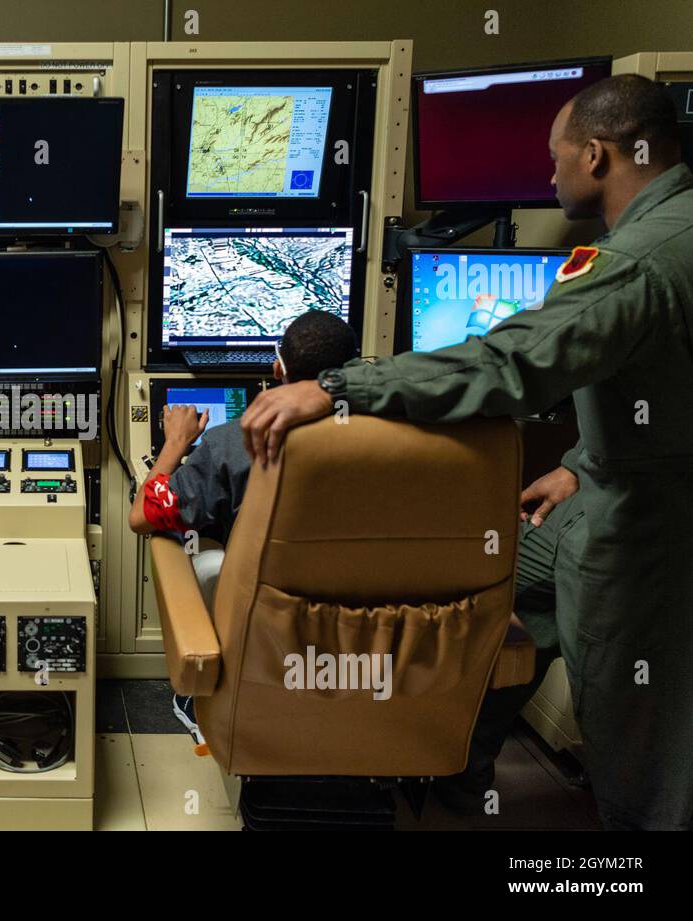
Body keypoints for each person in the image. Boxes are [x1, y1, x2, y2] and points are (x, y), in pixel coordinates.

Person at [238, 74, 693, 830]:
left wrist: (340, 388)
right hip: (602, 495)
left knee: (640, 748)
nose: (549, 176)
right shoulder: (669, 231)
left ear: (599, 155)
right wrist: (577, 465)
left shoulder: (634, 265)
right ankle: (453, 778)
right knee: (484, 587)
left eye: (556, 159)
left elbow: (505, 365)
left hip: (647, 536)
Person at [128, 310, 360, 741]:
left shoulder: (231, 444)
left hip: (268, 623)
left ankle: (202, 698)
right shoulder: (397, 435)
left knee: (204, 555)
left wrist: (175, 445)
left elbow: (142, 516)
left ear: (278, 370)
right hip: (368, 631)